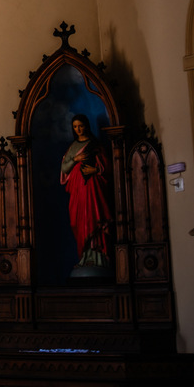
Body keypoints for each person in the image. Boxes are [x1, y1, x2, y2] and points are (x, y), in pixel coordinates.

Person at [60, 113, 112, 270]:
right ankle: (84, 258)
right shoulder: (73, 147)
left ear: (86, 126)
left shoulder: (96, 145)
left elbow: (109, 167)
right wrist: (76, 159)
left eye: (81, 126)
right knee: (77, 221)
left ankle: (98, 259)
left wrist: (96, 169)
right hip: (77, 190)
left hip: (93, 188)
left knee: (93, 217)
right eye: (75, 127)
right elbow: (64, 168)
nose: (78, 129)